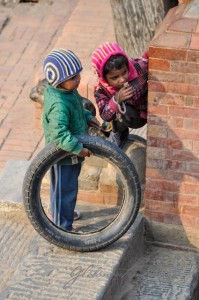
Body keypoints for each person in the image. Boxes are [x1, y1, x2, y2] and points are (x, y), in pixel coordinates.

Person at [43, 48, 100, 232]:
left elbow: (76, 109)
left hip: (69, 152)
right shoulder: (59, 104)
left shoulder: (68, 93)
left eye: (78, 75)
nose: (78, 80)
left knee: (63, 188)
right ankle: (62, 226)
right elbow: (59, 134)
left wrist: (87, 116)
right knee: (64, 191)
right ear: (59, 82)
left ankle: (61, 213)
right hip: (64, 154)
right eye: (72, 78)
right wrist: (77, 148)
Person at [91, 42, 148, 148]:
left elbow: (149, 59)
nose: (122, 79)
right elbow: (104, 115)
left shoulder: (138, 68)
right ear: (103, 77)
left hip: (145, 112)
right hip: (126, 118)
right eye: (115, 77)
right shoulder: (101, 90)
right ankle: (117, 132)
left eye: (124, 72)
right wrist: (117, 100)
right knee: (117, 113)